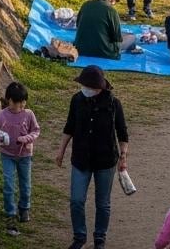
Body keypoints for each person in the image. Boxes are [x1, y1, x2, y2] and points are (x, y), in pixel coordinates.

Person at [56, 64, 129, 249]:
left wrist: (123, 156)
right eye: (84, 86)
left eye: (89, 87)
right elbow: (69, 127)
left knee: (103, 203)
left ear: (99, 88)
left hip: (106, 161)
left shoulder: (113, 104)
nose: (85, 90)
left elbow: (122, 133)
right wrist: (61, 151)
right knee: (76, 200)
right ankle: (79, 236)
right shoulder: (76, 100)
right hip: (81, 159)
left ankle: (99, 238)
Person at [0, 81, 41, 233]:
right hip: (7, 156)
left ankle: (24, 208)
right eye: (16, 103)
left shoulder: (29, 114)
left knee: (25, 185)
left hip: (25, 156)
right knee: (9, 184)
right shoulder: (1, 116)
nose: (20, 106)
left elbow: (36, 131)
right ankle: (10, 212)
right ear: (9, 100)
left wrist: (26, 139)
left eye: (23, 102)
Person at [73, 0, 137, 60]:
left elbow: (78, 25)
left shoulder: (86, 4)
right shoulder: (111, 10)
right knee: (132, 37)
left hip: (80, 47)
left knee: (125, 34)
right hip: (104, 51)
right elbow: (117, 38)